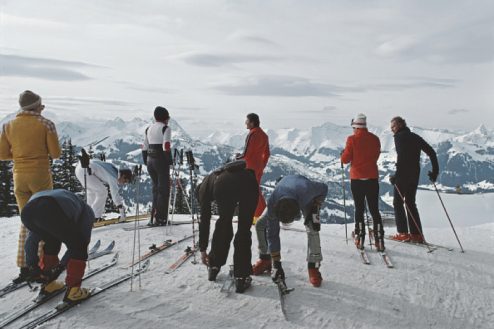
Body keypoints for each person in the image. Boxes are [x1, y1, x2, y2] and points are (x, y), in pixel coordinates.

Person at [0, 90, 61, 284]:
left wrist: (20, 157)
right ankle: (42, 263)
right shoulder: (46, 124)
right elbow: (56, 153)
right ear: (37, 106)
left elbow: (2, 155)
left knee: (26, 220)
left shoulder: (8, 125)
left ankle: (24, 264)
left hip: (19, 177)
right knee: (44, 220)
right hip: (40, 175)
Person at [20, 189, 95, 303]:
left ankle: (49, 284)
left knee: (51, 240)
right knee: (79, 246)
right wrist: (60, 267)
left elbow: (31, 240)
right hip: (51, 209)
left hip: (27, 212)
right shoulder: (87, 213)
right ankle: (74, 291)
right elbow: (78, 246)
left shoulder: (67, 201)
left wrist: (32, 265)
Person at [252, 175, 328, 287]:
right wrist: (276, 263)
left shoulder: (307, 189)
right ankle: (265, 259)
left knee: (313, 228)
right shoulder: (273, 203)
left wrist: (316, 204)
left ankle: (314, 266)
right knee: (260, 224)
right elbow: (273, 234)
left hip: (304, 197)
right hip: (283, 194)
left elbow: (324, 188)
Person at [197, 160, 259, 293]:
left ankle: (214, 267)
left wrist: (203, 250)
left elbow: (205, 220)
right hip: (249, 181)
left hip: (224, 185)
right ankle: (241, 277)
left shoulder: (203, 190)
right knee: (244, 228)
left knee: (224, 223)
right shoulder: (211, 177)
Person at [389, 116, 439, 243]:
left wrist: (396, 175)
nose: (391, 130)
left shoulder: (399, 137)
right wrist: (435, 172)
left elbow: (402, 158)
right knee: (410, 202)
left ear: (399, 125)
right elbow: (432, 152)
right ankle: (417, 235)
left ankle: (403, 233)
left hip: (403, 175)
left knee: (397, 202)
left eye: (393, 126)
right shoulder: (415, 137)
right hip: (415, 174)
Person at [341, 113, 385, 251]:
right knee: (374, 210)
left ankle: (360, 238)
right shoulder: (375, 139)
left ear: (355, 126)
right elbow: (376, 155)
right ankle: (379, 240)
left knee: (359, 208)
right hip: (372, 178)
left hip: (357, 179)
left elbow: (345, 159)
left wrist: (342, 155)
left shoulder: (352, 139)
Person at [236, 113, 270, 223]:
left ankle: (261, 216)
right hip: (259, 166)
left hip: (249, 166)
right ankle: (259, 216)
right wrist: (262, 164)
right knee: (255, 190)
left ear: (252, 122)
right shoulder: (264, 135)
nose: (245, 123)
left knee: (251, 191)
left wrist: (237, 158)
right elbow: (267, 153)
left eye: (247, 121)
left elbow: (247, 153)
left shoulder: (252, 134)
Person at [142, 106, 173, 226]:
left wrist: (146, 161)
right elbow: (166, 146)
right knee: (164, 190)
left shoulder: (148, 129)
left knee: (155, 189)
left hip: (150, 160)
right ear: (166, 117)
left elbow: (144, 146)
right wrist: (169, 161)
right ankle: (161, 219)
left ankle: (152, 217)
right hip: (161, 160)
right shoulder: (166, 128)